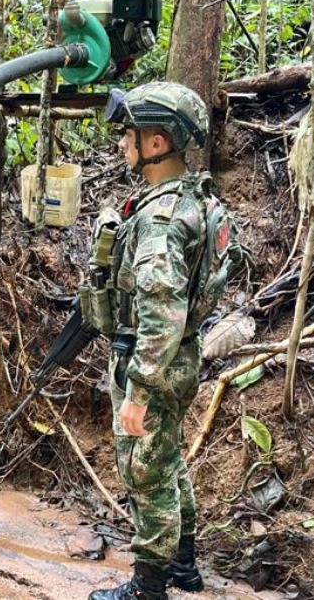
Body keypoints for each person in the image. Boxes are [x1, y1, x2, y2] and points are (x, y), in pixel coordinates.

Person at [81, 82, 235, 600]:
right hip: (180, 356)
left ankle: (148, 586)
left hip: (152, 359)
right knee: (167, 459)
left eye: (132, 133)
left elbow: (160, 311)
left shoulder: (160, 220)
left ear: (157, 143)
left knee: (144, 470)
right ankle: (183, 564)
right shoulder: (192, 200)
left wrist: (139, 390)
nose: (124, 141)